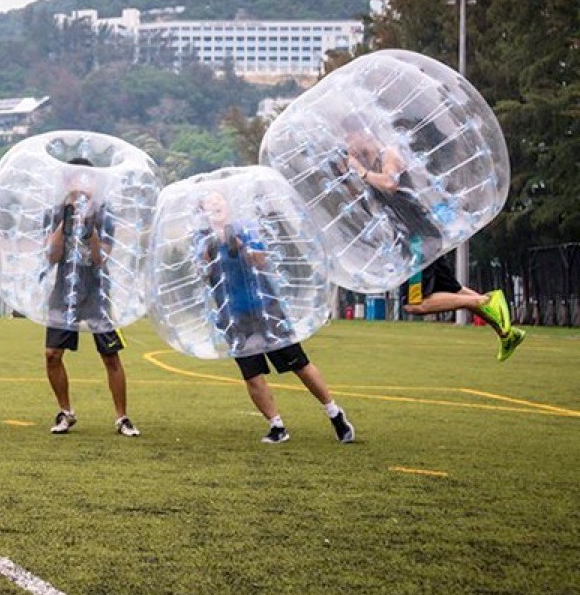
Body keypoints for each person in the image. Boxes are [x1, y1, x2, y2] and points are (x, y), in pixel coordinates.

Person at [346, 130, 526, 361]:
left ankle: (484, 300)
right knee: (454, 292)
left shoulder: (388, 154)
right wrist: (347, 175)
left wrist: (360, 172)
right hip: (414, 236)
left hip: (418, 237)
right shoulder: (368, 166)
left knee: (414, 304)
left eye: (349, 137)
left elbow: (390, 183)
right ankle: (508, 334)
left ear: (362, 134)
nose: (347, 144)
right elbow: (364, 201)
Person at [196, 190, 355, 444]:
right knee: (252, 374)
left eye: (218, 200)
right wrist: (211, 251)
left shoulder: (244, 229)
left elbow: (260, 261)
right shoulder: (203, 240)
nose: (214, 204)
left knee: (299, 365)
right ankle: (276, 426)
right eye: (208, 203)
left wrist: (240, 244)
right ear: (203, 212)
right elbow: (204, 273)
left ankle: (335, 414)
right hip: (233, 316)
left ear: (228, 204)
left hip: (266, 309)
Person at [42, 158, 139, 437]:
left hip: (96, 290)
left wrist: (91, 229)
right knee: (52, 354)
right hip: (63, 290)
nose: (81, 184)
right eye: (75, 178)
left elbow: (100, 258)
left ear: (94, 182)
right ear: (67, 182)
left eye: (86, 179)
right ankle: (66, 412)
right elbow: (52, 256)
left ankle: (122, 417)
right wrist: (67, 222)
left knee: (110, 355)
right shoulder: (56, 212)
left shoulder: (105, 213)